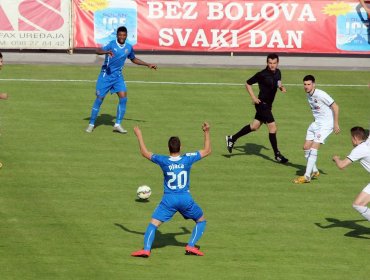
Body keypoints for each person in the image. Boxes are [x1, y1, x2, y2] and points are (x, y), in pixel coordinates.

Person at [131, 122, 211, 258]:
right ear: (181, 147)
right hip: (185, 199)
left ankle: (146, 249)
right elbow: (207, 150)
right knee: (201, 221)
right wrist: (206, 132)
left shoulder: (163, 160)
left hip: (169, 200)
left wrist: (139, 135)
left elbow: (144, 153)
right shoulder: (187, 159)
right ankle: (191, 246)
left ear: (168, 149)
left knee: (153, 224)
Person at [86, 26, 157, 133]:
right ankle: (91, 124)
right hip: (106, 76)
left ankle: (117, 124)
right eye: (120, 35)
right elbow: (97, 50)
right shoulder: (111, 44)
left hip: (118, 77)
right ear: (117, 35)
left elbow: (133, 59)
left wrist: (147, 64)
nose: (122, 37)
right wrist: (106, 52)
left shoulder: (128, 47)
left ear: (126, 36)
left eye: (124, 35)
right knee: (99, 98)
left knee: (123, 98)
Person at [225, 53, 289, 163]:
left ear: (277, 63)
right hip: (261, 104)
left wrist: (281, 87)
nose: (272, 65)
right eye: (270, 63)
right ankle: (277, 154)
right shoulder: (262, 74)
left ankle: (232, 138)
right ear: (267, 63)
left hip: (268, 105)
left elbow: (278, 81)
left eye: (274, 63)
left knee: (254, 126)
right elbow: (248, 83)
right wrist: (254, 98)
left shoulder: (278, 72)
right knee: (273, 128)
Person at [293, 75, 340, 184]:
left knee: (314, 148)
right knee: (306, 147)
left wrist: (335, 123)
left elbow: (335, 107)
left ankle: (306, 176)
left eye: (309, 84)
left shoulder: (321, 94)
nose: (306, 86)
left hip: (326, 124)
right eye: (305, 84)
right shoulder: (309, 95)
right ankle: (314, 170)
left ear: (314, 84)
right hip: (316, 123)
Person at [332, 126, 370, 223]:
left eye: (351, 138)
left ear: (355, 138)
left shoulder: (358, 150)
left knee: (358, 205)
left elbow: (342, 165)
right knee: (358, 204)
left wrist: (336, 158)